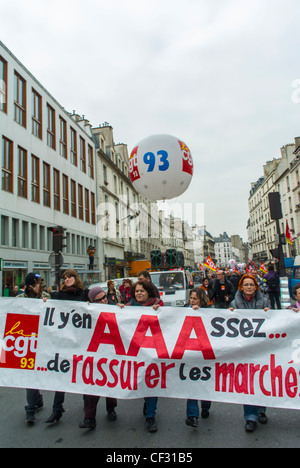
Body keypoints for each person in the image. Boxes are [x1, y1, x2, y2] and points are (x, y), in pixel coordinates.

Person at [45, 269, 89, 424]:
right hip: (64, 342)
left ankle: (87, 408)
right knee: (62, 376)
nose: (67, 279)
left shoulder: (84, 295)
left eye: (70, 276)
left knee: (84, 374)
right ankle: (57, 409)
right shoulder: (58, 295)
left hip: (81, 342)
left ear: (75, 278)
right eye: (65, 277)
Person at [119, 280, 163, 432]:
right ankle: (147, 404)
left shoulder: (158, 306)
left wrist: (159, 311)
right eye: (137, 291)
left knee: (151, 384)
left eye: (142, 291)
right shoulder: (128, 307)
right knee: (140, 382)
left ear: (148, 292)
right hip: (134, 354)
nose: (138, 293)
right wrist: (119, 311)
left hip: (151, 353)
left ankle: (150, 416)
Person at [230, 274, 270, 433]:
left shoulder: (265, 302)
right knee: (248, 382)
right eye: (245, 284)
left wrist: (269, 313)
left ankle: (261, 410)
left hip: (261, 348)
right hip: (244, 348)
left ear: (256, 287)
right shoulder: (234, 303)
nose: (248, 287)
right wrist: (230, 313)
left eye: (251, 285)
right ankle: (250, 417)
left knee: (262, 379)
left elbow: (276, 322)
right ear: (241, 287)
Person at [79, 287, 118, 429]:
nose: (104, 300)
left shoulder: (114, 309)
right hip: (93, 353)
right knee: (91, 385)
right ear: (92, 301)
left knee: (111, 382)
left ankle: (111, 408)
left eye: (105, 297)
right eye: (100, 299)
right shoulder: (88, 313)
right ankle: (89, 417)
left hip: (110, 352)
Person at [17, 273, 50, 424]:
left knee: (37, 374)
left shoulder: (46, 297)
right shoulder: (19, 300)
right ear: (30, 286)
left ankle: (37, 399)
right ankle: (30, 409)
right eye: (37, 283)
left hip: (43, 343)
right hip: (27, 343)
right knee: (30, 377)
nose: (40, 286)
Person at [184, 288, 211, 427]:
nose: (192, 301)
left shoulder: (210, 312)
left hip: (205, 353)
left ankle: (206, 405)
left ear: (201, 300)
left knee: (205, 382)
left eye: (195, 299)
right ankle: (192, 415)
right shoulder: (184, 311)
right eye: (191, 298)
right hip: (190, 353)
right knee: (192, 383)